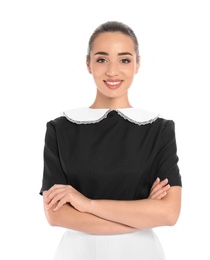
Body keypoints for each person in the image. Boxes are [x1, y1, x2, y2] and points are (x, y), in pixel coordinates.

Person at [40, 21, 182, 260]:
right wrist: (143, 212)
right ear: (88, 64)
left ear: (138, 64)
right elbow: (56, 215)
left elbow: (168, 213)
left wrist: (86, 204)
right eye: (102, 59)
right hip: (77, 254)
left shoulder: (159, 129)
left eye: (124, 60)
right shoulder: (60, 128)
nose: (113, 71)